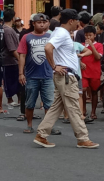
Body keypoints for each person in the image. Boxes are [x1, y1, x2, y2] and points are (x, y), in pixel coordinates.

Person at [33, 9, 98, 149]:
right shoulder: (62, 33)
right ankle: (82, 138)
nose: (78, 24)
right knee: (74, 107)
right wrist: (54, 66)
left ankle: (42, 134)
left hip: (64, 75)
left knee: (56, 107)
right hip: (66, 76)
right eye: (77, 21)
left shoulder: (59, 32)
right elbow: (48, 48)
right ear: (71, 21)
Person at [18, 14, 57, 133]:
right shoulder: (26, 37)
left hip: (48, 76)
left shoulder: (52, 37)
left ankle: (48, 127)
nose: (42, 24)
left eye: (44, 22)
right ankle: (29, 126)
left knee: (49, 104)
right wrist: (21, 73)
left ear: (48, 23)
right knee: (29, 103)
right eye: (39, 22)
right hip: (31, 76)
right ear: (33, 23)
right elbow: (22, 55)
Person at [80, 25, 103, 120]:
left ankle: (93, 112)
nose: (88, 37)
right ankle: (83, 110)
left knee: (94, 91)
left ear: (94, 35)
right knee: (83, 90)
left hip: (94, 71)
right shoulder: (81, 45)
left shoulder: (99, 45)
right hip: (84, 71)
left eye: (90, 35)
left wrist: (91, 45)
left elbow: (98, 57)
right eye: (86, 35)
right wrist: (80, 62)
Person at [2, 9, 21, 107]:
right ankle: (10, 99)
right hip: (10, 60)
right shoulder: (8, 30)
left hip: (12, 59)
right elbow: (11, 48)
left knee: (16, 80)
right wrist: (19, 59)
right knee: (10, 80)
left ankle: (19, 99)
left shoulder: (7, 29)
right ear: (13, 18)